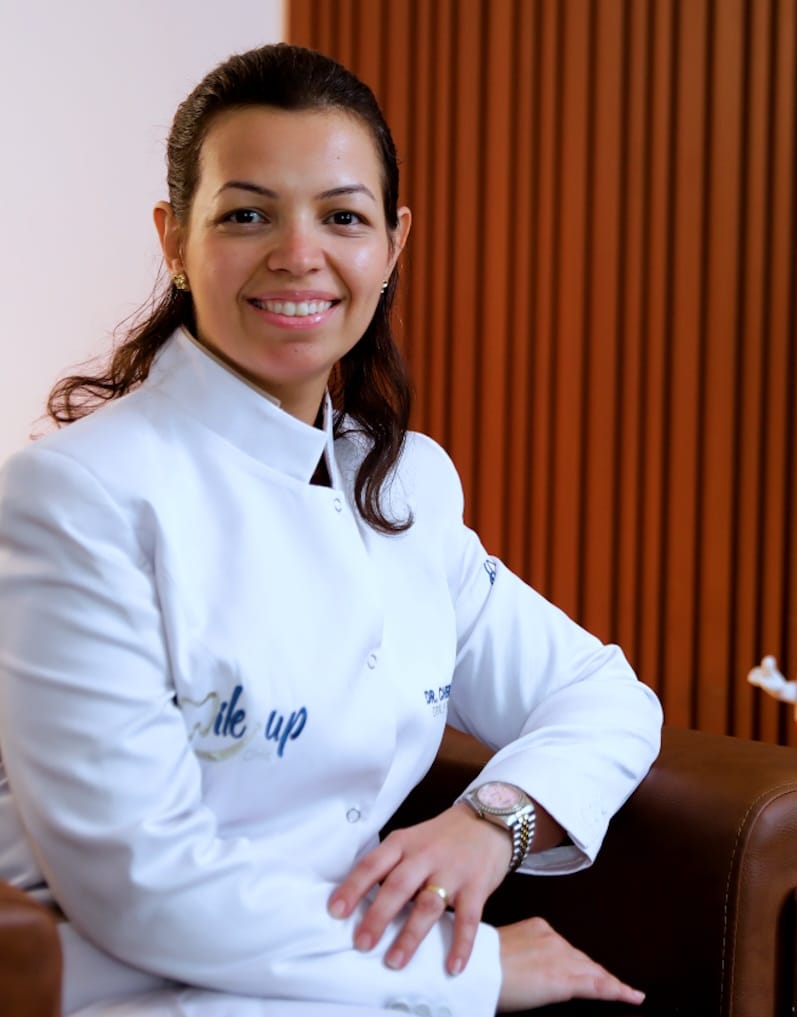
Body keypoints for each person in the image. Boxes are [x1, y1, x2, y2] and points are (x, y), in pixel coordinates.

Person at [0, 43, 662, 1017]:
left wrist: (491, 822)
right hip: (145, 992)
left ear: (392, 245)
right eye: (247, 214)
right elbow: (140, 882)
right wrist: (478, 969)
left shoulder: (405, 484)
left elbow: (603, 696)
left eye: (341, 216)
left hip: (355, 980)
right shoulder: (76, 495)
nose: (297, 254)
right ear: (174, 240)